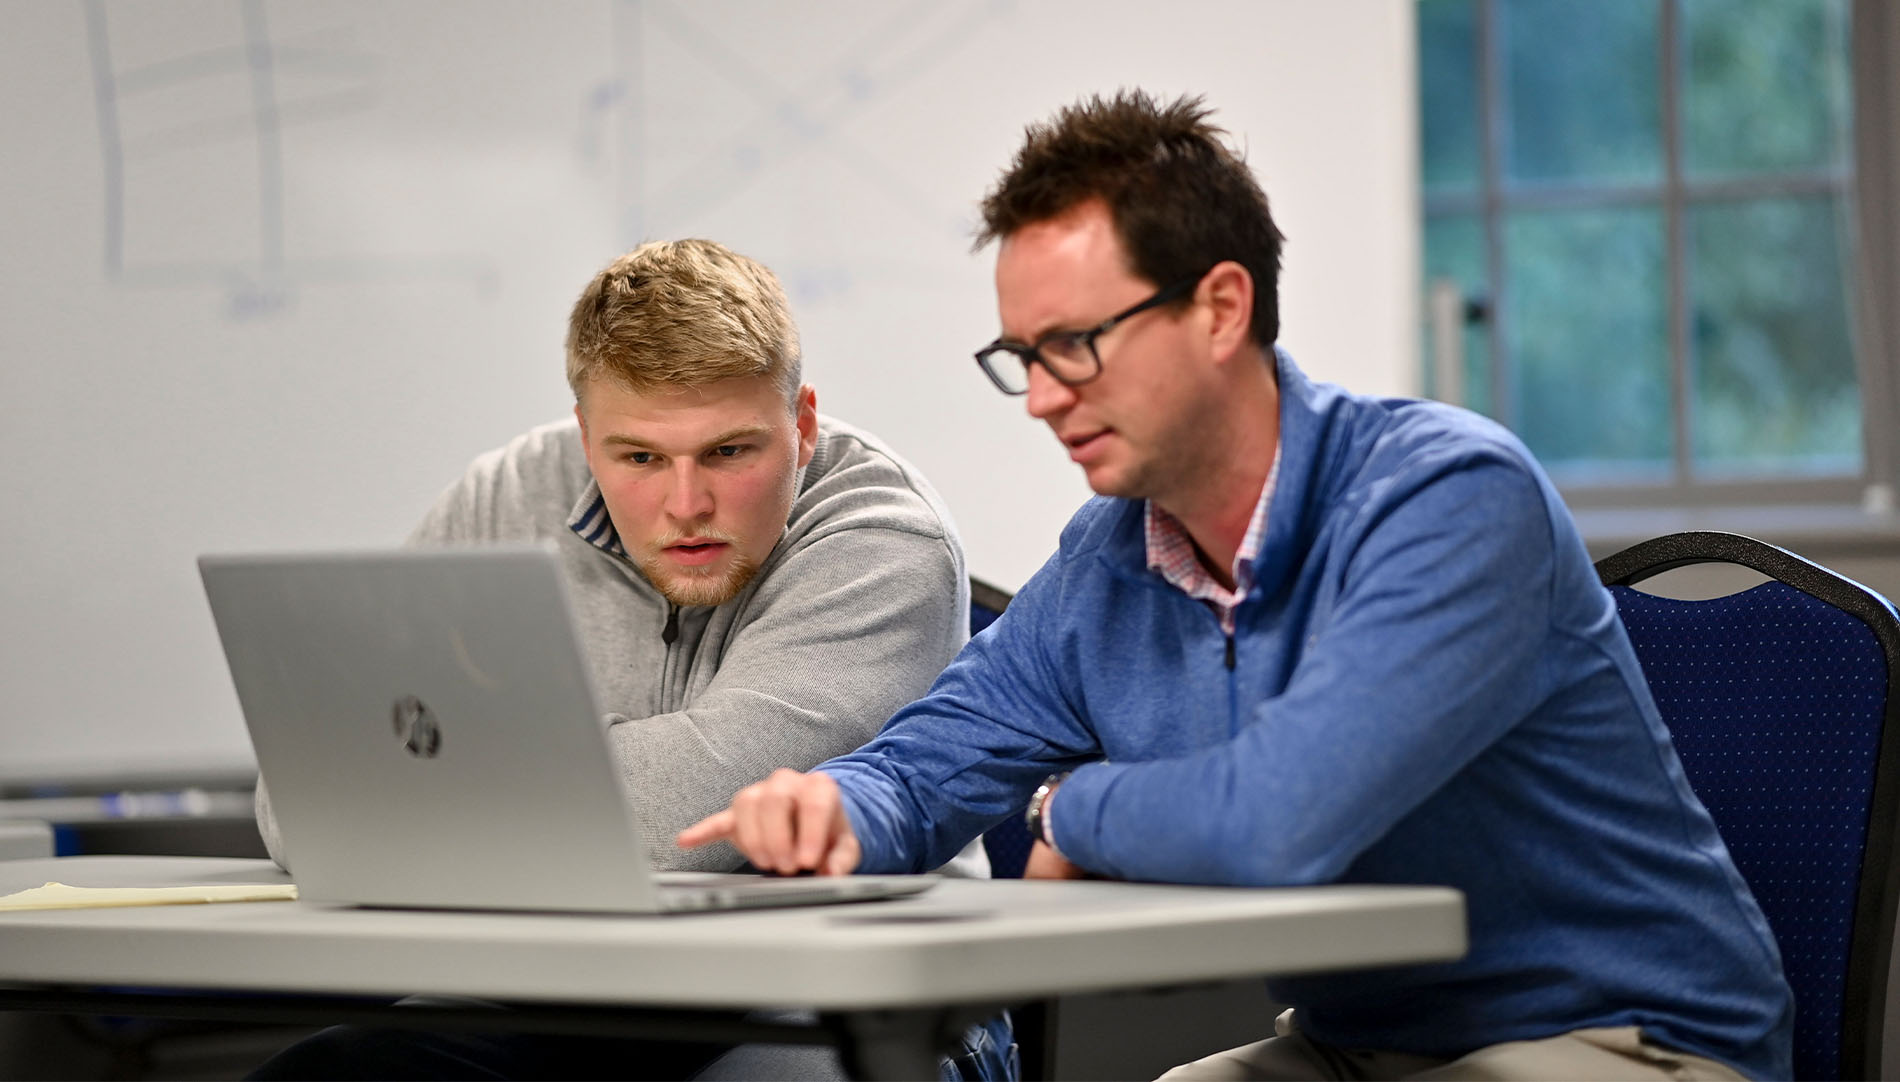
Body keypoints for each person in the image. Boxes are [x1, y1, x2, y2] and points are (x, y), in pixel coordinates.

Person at [681, 92, 1794, 1081]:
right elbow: (928, 766)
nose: (1040, 397)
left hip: (1623, 1037)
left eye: (1075, 343)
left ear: (1219, 307)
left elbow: (1279, 820)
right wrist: (834, 807)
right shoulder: (1105, 560)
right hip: (1356, 1043)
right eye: (1023, 355)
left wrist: (1067, 804)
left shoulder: (1450, 499)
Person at [249, 239, 1013, 1081]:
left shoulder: (884, 539)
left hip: (848, 999)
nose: (687, 505)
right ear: (586, 437)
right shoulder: (506, 494)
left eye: (729, 452)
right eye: (640, 458)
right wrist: (582, 761)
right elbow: (303, 796)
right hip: (557, 993)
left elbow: (690, 823)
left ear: (801, 425)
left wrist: (468, 765)